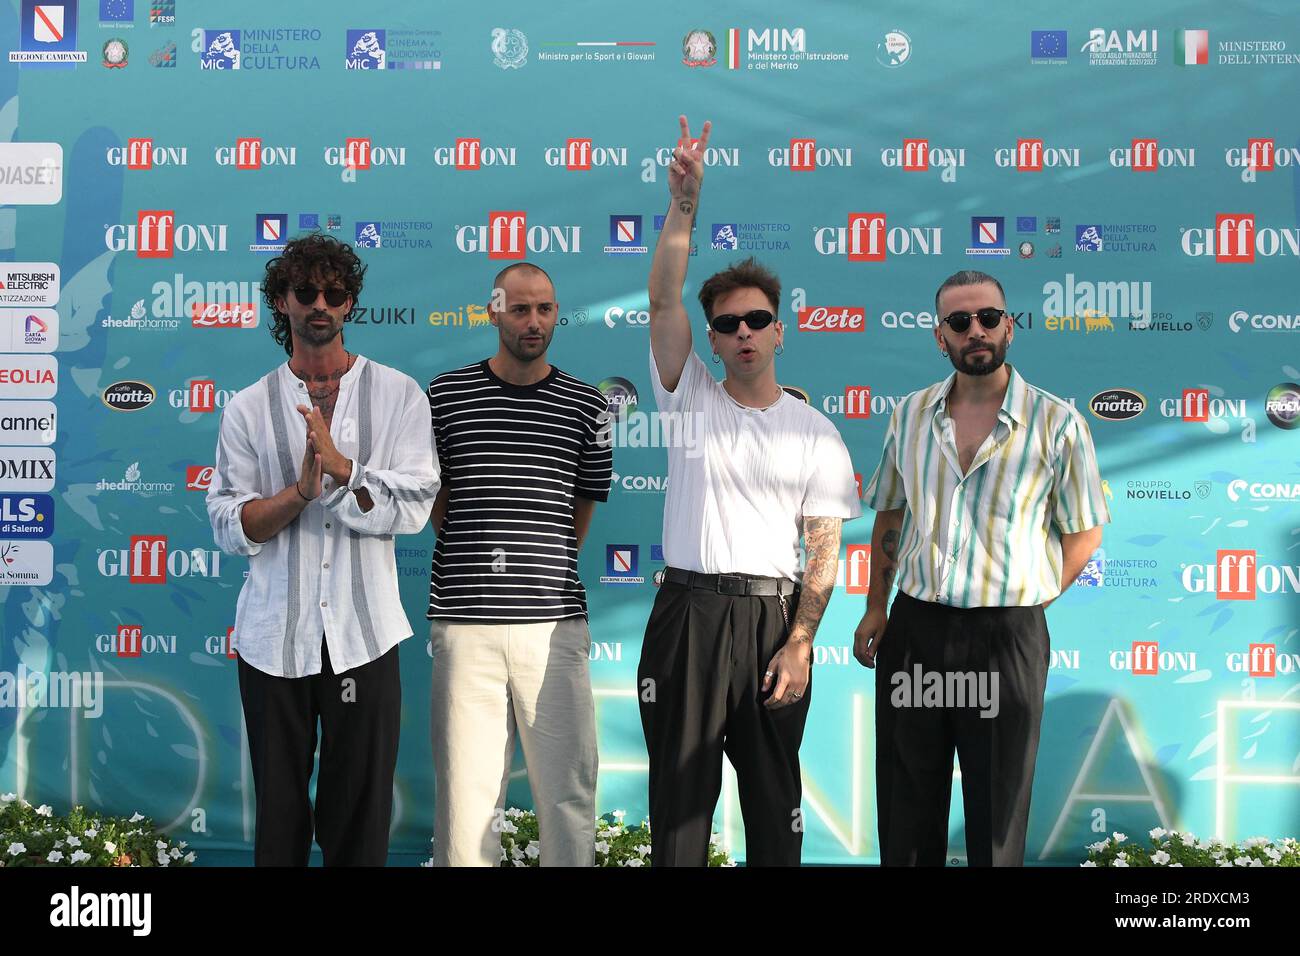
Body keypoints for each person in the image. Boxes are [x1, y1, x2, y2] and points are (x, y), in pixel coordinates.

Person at [638, 116, 861, 866]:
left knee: (774, 808)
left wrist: (801, 643)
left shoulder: (817, 433)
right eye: (727, 323)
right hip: (687, 617)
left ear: (780, 332)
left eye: (757, 320)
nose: (743, 333)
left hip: (771, 621)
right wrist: (684, 206)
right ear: (713, 335)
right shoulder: (688, 396)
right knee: (678, 809)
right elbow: (664, 300)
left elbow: (824, 550)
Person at [854, 269, 1109, 866]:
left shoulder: (1058, 423)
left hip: (1007, 636)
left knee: (997, 816)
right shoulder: (910, 416)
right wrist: (874, 605)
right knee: (907, 807)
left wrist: (1029, 600)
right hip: (915, 629)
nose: (976, 330)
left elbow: (1084, 532)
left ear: (1010, 327)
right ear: (938, 335)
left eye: (989, 317)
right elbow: (890, 515)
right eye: (960, 321)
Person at [206, 233, 440, 866]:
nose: (320, 304)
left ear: (350, 303)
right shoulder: (249, 408)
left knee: (360, 818)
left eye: (333, 293)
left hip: (364, 638)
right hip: (272, 639)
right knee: (279, 820)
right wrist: (299, 494)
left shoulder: (398, 396)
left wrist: (342, 471)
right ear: (281, 301)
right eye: (304, 291)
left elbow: (415, 508)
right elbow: (229, 524)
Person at [426, 262, 612, 867]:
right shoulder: (445, 397)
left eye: (546, 309)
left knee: (567, 798)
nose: (534, 321)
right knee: (465, 806)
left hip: (554, 626)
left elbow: (578, 515)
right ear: (493, 310)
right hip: (463, 623)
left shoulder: (589, 406)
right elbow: (439, 504)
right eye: (521, 308)